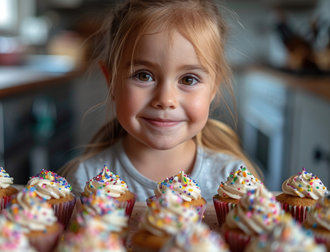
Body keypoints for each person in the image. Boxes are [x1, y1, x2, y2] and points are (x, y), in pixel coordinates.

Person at [59, 0, 261, 202]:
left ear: (214, 88)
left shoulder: (235, 182)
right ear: (111, 81)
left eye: (188, 79)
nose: (165, 100)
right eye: (143, 76)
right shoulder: (84, 180)